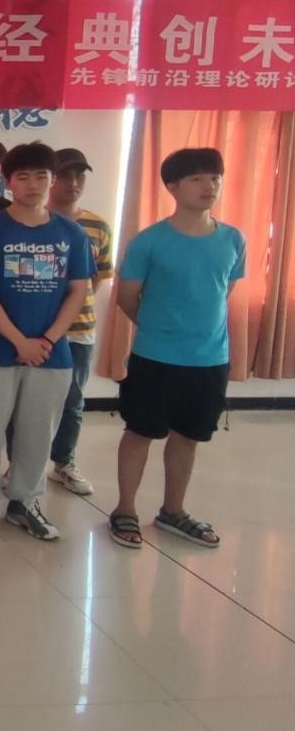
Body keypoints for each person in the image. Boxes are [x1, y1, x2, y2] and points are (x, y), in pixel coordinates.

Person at [109, 148, 244, 551]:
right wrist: (160, 329)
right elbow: (127, 298)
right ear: (172, 187)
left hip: (210, 360)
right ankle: (125, 509)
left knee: (188, 437)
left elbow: (223, 291)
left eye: (215, 178)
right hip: (155, 357)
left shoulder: (232, 238)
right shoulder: (149, 241)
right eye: (197, 179)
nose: (209, 186)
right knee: (140, 432)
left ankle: (173, 510)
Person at [0, 142, 92, 541]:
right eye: (23, 176)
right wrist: (20, 341)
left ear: (52, 181)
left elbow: (78, 291)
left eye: (41, 176)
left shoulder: (71, 233)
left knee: (38, 432)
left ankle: (25, 501)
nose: (33, 184)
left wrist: (47, 340)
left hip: (52, 354)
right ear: (9, 182)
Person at [42, 148, 113, 496]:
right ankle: (20, 464)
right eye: (65, 175)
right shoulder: (33, 220)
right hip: (35, 331)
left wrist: (73, 306)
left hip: (79, 331)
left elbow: (96, 280)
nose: (73, 183)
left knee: (73, 401)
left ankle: (64, 463)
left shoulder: (97, 227)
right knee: (30, 403)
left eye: (79, 176)